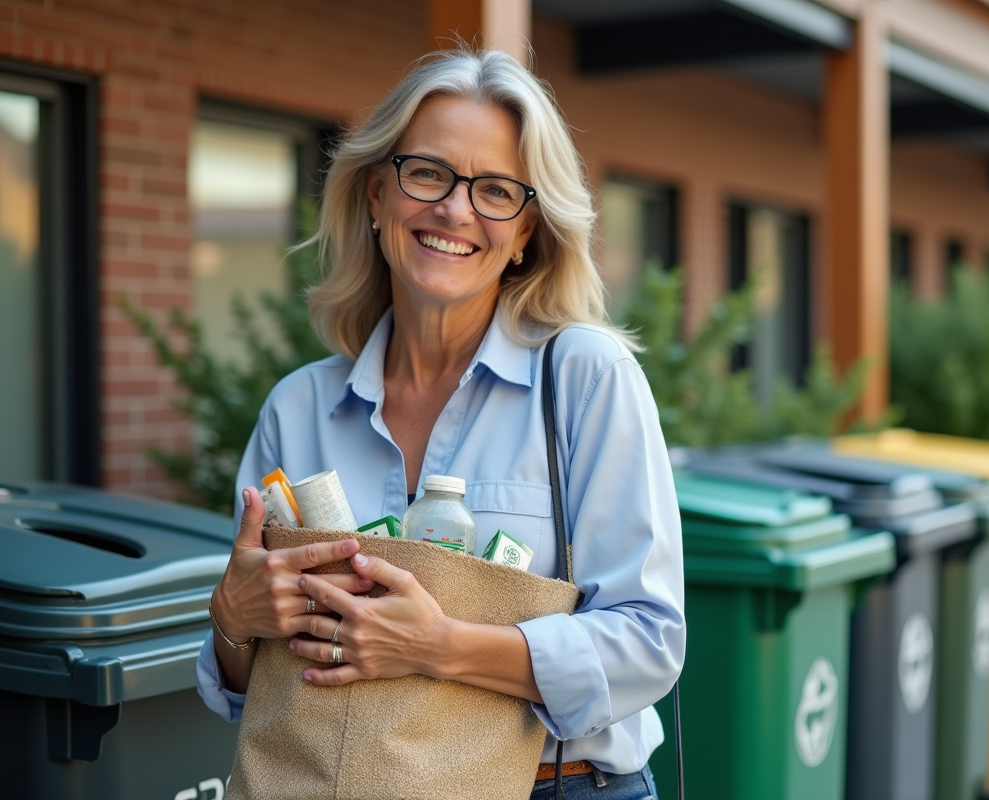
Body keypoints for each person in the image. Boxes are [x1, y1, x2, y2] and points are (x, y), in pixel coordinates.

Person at [196, 47, 685, 800]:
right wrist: (233, 618)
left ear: (526, 233)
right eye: (428, 173)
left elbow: (649, 643)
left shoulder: (587, 379)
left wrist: (441, 647)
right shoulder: (297, 410)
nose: (455, 210)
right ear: (375, 194)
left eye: (495, 191)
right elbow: (243, 685)